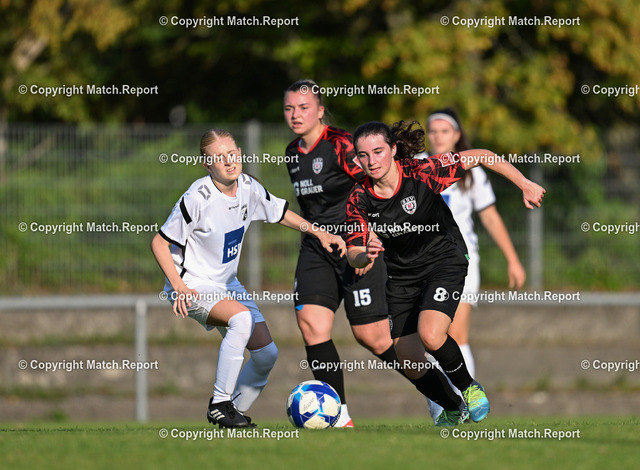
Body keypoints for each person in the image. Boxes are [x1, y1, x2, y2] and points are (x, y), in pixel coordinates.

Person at [283, 80, 467, 427]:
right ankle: (338, 416)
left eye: (303, 107)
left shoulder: (341, 146)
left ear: (320, 111)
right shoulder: (292, 152)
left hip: (356, 244)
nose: (295, 114)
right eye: (289, 108)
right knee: (312, 326)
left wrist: (366, 242)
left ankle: (443, 397)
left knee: (374, 337)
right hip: (317, 247)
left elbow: (375, 189)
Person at [345, 120, 545, 423]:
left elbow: (481, 155)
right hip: (401, 276)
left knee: (431, 333)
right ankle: (453, 407)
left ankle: (470, 388)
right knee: (410, 361)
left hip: (443, 261)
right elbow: (353, 253)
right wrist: (364, 255)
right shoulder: (358, 197)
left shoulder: (421, 173)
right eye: (363, 155)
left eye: (378, 151)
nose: (371, 161)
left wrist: (524, 184)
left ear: (393, 149)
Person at [151, 128, 346, 428]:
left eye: (232, 153)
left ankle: (232, 414)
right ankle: (220, 404)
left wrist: (319, 232)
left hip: (227, 284)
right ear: (207, 164)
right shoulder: (197, 197)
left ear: (240, 153)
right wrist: (177, 287)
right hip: (192, 284)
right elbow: (159, 243)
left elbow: (279, 212)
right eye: (219, 157)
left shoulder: (248, 186)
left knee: (266, 354)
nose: (229, 161)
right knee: (241, 319)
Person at [424, 108, 526, 421]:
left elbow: (490, 217)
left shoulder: (470, 173)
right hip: (421, 263)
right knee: (429, 339)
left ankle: (464, 403)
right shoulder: (417, 167)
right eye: (433, 131)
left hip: (460, 262)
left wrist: (512, 259)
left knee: (454, 335)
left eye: (445, 131)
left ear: (457, 135)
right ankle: (443, 409)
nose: (438, 136)